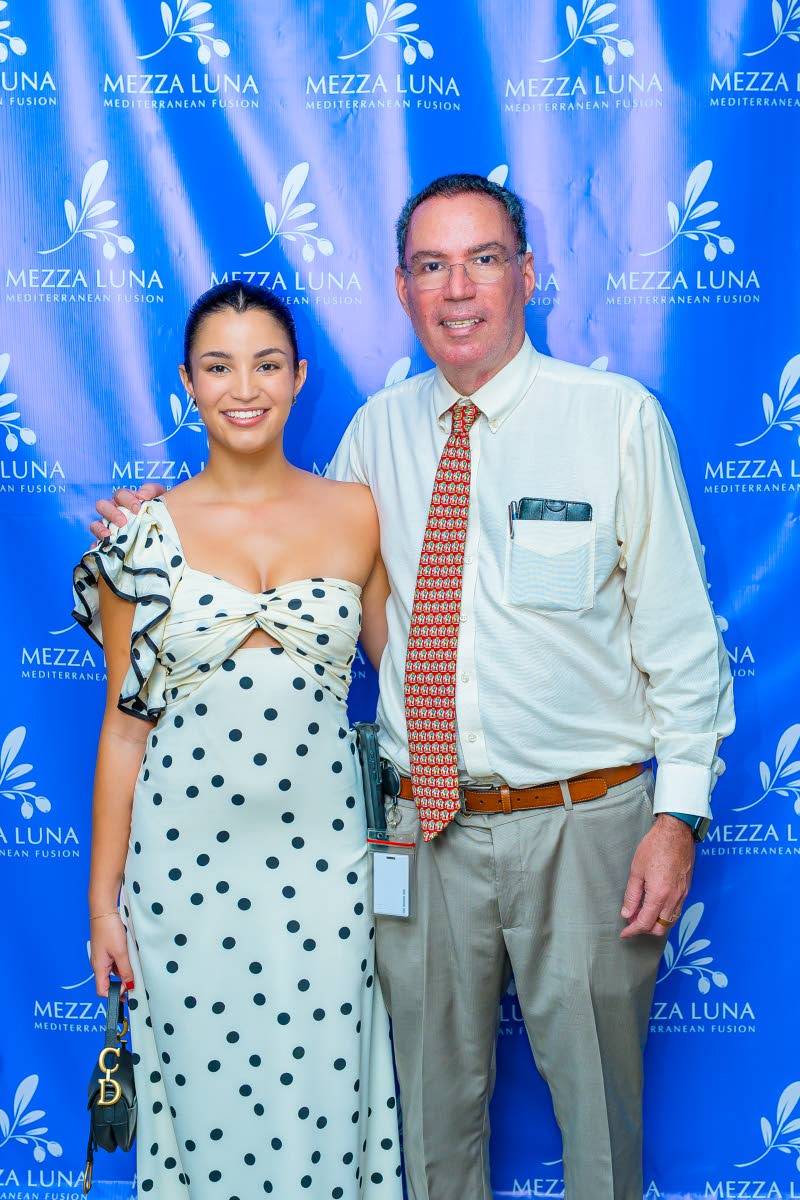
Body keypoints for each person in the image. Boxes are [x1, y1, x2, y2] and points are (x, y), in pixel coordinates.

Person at [92, 175, 735, 1200]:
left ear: (528, 274)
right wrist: (158, 523)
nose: (457, 288)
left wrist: (677, 816)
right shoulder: (373, 440)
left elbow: (680, 642)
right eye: (430, 265)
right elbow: (274, 534)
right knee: (428, 1127)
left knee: (597, 1122)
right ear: (400, 288)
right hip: (416, 831)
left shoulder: (610, 420)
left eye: (482, 259)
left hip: (583, 824)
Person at [76, 281, 402, 1199]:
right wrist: (104, 905)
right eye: (218, 367)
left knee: (329, 1103)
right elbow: (122, 731)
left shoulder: (358, 513)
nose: (243, 387)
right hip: (182, 873)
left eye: (265, 364)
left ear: (299, 377)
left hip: (330, 867)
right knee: (204, 1113)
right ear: (187, 382)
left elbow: (410, 700)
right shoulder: (139, 535)